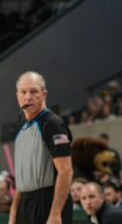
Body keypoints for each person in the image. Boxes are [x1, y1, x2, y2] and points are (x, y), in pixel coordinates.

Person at [10, 71, 73, 224]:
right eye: (23, 92)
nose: (28, 97)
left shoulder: (52, 124)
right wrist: (13, 212)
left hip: (47, 202)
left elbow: (66, 171)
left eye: (34, 91)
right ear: (17, 95)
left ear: (44, 94)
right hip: (25, 202)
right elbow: (22, 175)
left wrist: (56, 213)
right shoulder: (20, 125)